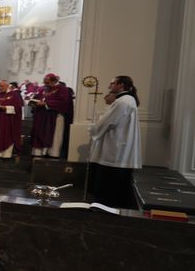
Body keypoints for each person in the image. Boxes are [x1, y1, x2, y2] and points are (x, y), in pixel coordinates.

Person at [88, 75, 142, 209]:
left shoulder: (123, 101)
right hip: (120, 145)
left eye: (112, 83)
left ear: (121, 85)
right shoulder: (128, 99)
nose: (109, 87)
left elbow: (109, 122)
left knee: (109, 184)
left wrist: (93, 129)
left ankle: (104, 206)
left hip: (116, 148)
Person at [29, 73, 75, 159]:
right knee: (40, 133)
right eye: (45, 82)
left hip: (55, 116)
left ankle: (53, 153)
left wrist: (47, 103)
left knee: (55, 135)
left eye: (47, 82)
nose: (45, 84)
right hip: (42, 116)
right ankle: (39, 152)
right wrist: (33, 101)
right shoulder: (44, 89)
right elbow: (38, 97)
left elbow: (64, 102)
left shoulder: (63, 89)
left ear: (54, 81)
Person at [0, 80, 23, 159]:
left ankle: (4, 155)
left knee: (5, 136)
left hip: (7, 121)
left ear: (7, 86)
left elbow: (18, 108)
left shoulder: (14, 95)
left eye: (2, 86)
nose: (0, 88)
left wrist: (5, 107)